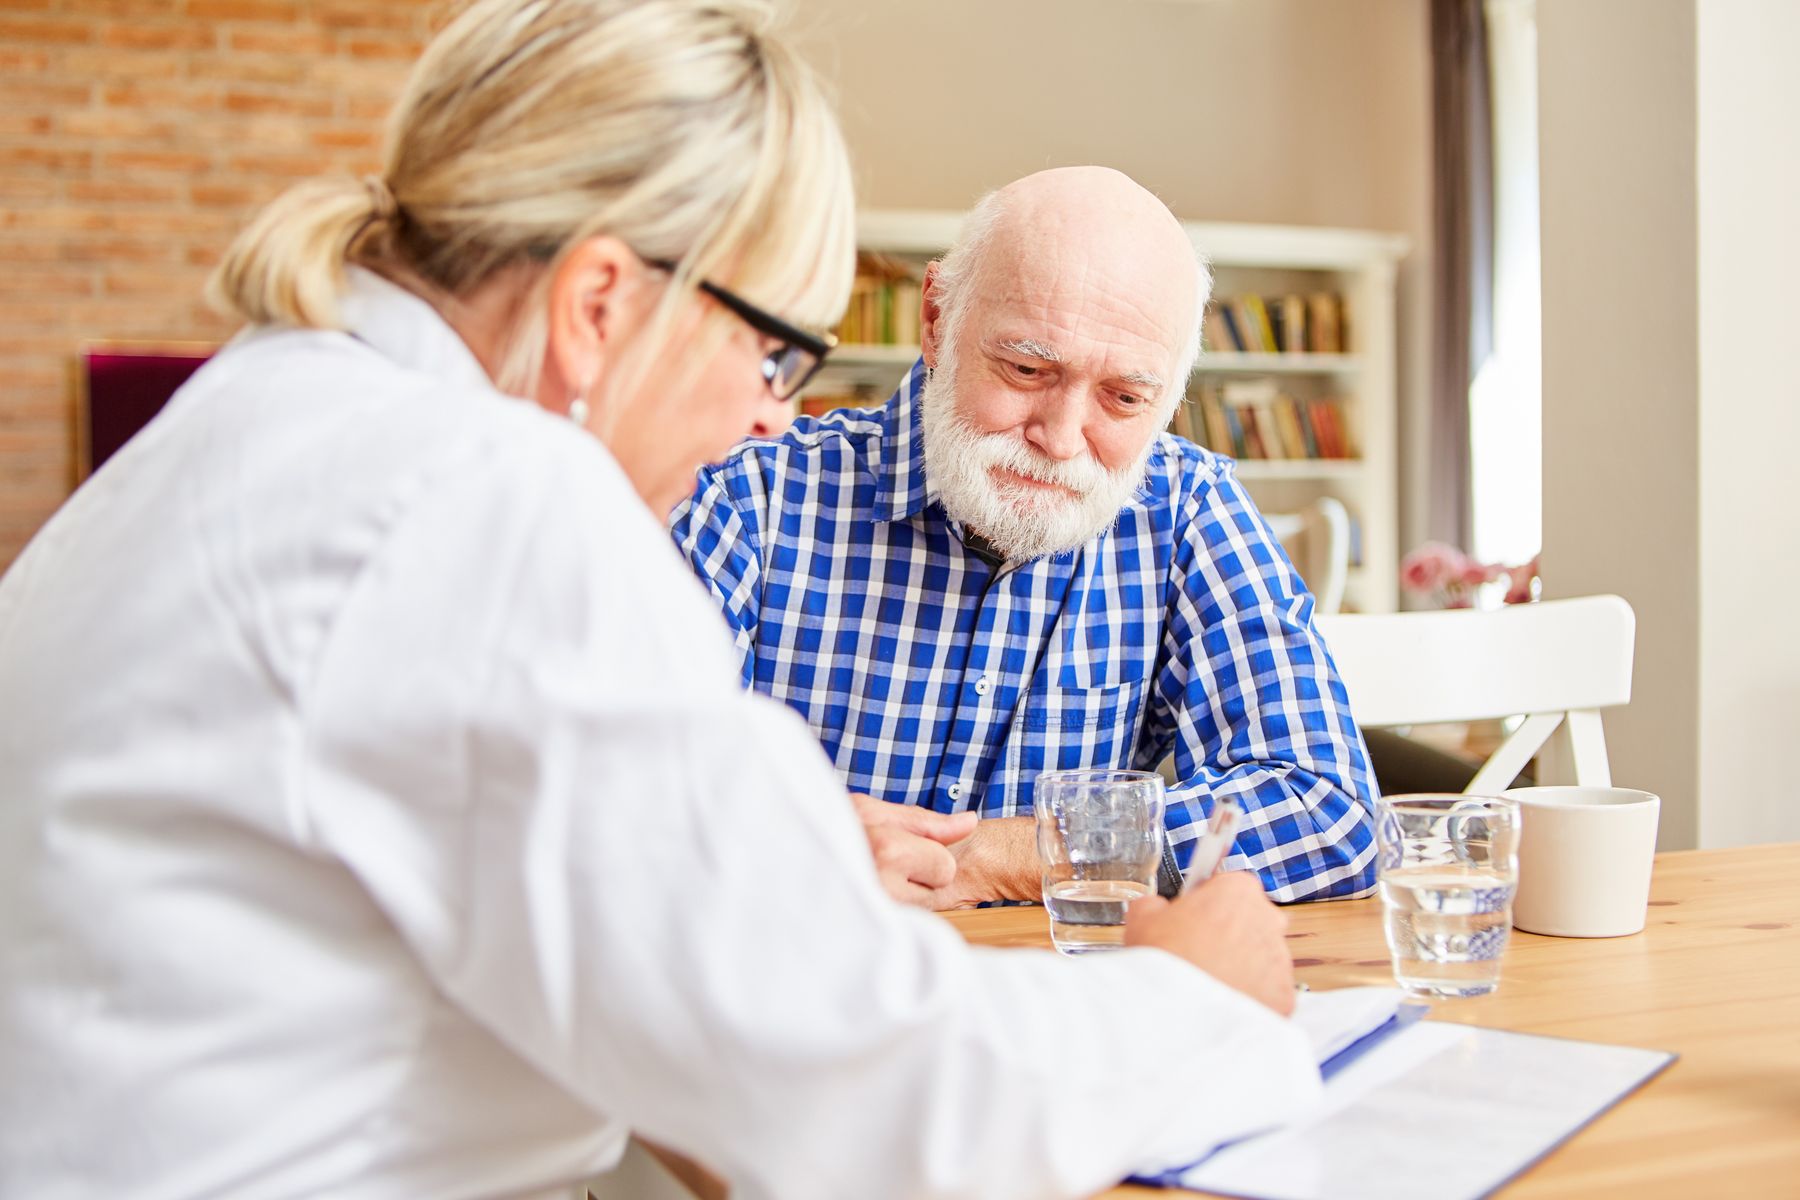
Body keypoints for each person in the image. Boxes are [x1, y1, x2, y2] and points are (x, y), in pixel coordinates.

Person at [0, 5, 1322, 1200]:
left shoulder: (263, 417)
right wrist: (1192, 1003)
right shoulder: (483, 500)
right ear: (597, 303)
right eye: (771, 351)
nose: (767, 413)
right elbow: (859, 1104)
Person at [672, 167, 1379, 909]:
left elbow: (1327, 810)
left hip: (1055, 1003)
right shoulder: (748, 499)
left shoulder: (1186, 506)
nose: (1063, 439)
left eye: (1125, 397)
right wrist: (800, 848)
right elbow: (617, 800)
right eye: (1027, 367)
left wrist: (1019, 854)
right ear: (937, 320)